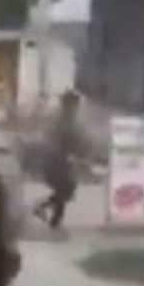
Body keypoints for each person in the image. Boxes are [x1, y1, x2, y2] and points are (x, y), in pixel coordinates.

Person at [33, 90, 89, 230]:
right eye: (74, 103)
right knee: (66, 189)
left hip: (61, 159)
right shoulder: (61, 118)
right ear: (68, 103)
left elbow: (76, 138)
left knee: (64, 190)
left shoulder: (68, 117)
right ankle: (45, 212)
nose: (76, 106)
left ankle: (53, 219)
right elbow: (56, 138)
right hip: (56, 160)